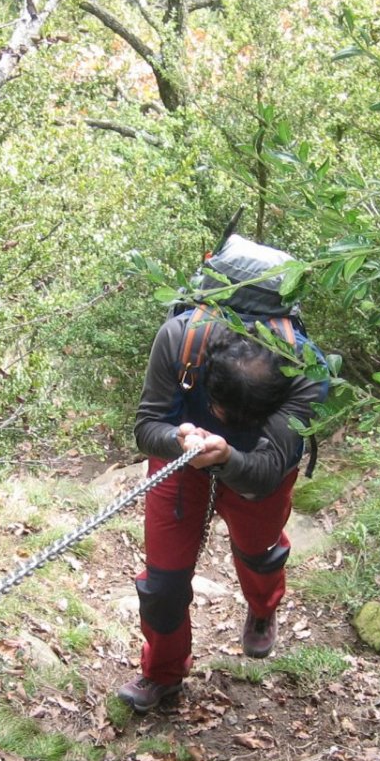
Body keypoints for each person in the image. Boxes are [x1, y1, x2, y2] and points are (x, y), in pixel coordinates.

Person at [119, 237, 329, 713]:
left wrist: (227, 456)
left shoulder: (308, 370)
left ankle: (262, 609)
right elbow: (147, 424)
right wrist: (178, 441)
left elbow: (268, 471)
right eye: (218, 405)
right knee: (162, 583)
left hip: (258, 464)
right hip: (181, 459)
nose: (224, 415)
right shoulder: (180, 338)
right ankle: (162, 674)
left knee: (260, 553)